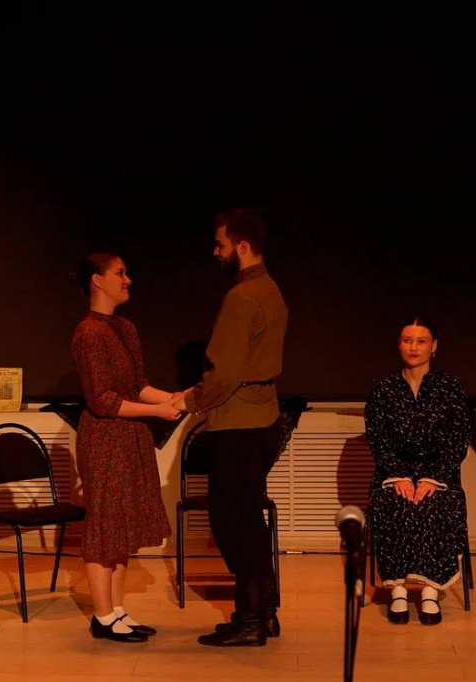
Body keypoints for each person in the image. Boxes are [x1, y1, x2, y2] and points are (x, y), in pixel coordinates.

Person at [174, 209, 288, 647]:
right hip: (260, 417)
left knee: (233, 522)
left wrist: (187, 401)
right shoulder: (270, 289)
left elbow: (225, 372)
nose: (215, 252)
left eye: (220, 245)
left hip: (237, 423)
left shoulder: (242, 297)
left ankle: (251, 619)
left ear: (242, 246)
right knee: (247, 519)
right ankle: (262, 613)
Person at [71, 252, 178, 643]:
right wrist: (158, 410)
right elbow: (102, 400)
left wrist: (176, 399)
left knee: (122, 526)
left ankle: (118, 611)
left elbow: (138, 386)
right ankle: (102, 617)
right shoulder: (89, 332)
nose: (128, 279)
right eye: (120, 272)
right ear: (98, 281)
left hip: (129, 436)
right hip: (105, 439)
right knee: (105, 525)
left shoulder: (125, 328)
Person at [364, 318, 470, 626]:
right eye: (407, 340)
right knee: (393, 502)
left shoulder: (450, 386)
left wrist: (432, 478)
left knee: (434, 504)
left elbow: (458, 440)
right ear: (399, 344)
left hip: (439, 474)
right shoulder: (382, 387)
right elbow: (377, 438)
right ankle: (397, 590)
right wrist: (397, 475)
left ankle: (429, 592)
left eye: (421, 341)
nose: (413, 347)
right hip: (392, 473)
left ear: (434, 346)